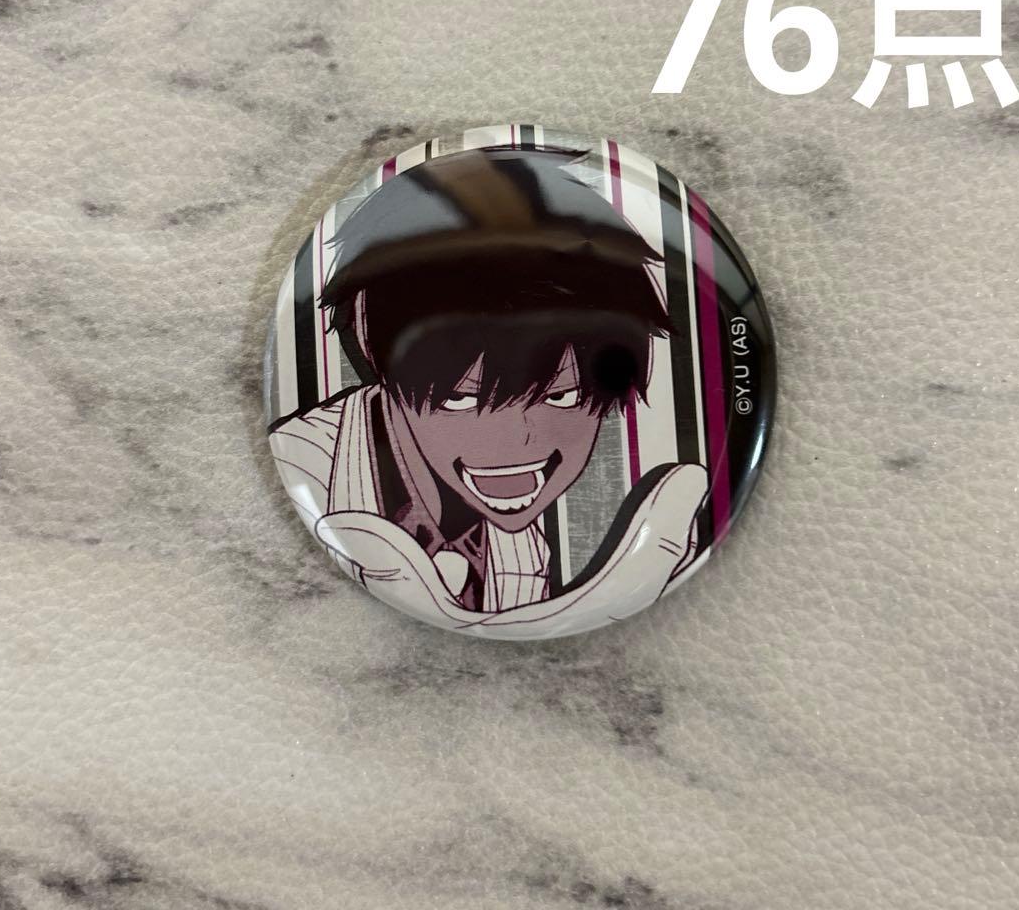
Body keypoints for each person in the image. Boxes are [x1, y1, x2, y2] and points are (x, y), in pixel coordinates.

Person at [269, 146, 708, 635]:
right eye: (462, 398)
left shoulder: (519, 547)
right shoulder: (305, 470)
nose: (519, 439)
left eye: (561, 395)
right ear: (372, 344)